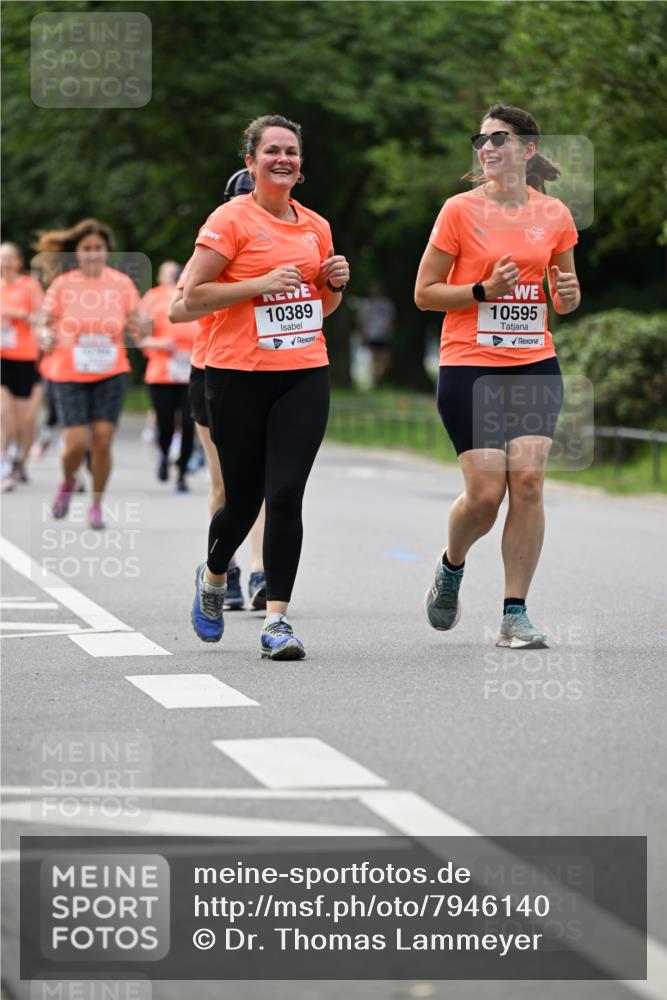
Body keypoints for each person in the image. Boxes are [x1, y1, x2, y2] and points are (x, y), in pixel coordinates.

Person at [414, 104, 580, 649]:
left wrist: (568, 296)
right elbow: (424, 293)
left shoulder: (554, 215)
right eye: (481, 140)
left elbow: (562, 290)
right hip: (470, 363)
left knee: (528, 482)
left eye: (499, 139)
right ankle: (452, 565)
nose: (486, 148)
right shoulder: (459, 211)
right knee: (485, 495)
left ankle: (514, 614)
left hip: (534, 361)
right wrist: (483, 291)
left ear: (528, 149)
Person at [185, 115, 349, 659]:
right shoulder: (229, 220)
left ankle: (276, 620)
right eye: (273, 150)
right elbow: (188, 300)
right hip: (236, 377)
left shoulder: (316, 226)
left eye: (293, 152)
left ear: (301, 166)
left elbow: (322, 307)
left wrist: (332, 284)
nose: (284, 159)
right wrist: (258, 283)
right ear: (251, 162)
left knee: (285, 495)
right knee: (242, 499)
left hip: (303, 373)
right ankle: (212, 576)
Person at [169, 167, 267, 611]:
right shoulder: (211, 248)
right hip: (214, 370)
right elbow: (176, 311)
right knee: (228, 483)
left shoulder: (283, 244)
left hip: (269, 369)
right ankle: (223, 569)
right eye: (243, 194)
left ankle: (263, 572)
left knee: (265, 483)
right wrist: (238, 291)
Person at [37, 218, 142, 529]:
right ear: (76, 253)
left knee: (103, 440)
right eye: (87, 249)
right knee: (76, 443)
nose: (93, 254)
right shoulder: (63, 284)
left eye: (99, 248)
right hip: (69, 371)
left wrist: (143, 328)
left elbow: (136, 320)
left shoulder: (122, 283)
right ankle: (68, 481)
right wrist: (44, 335)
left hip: (111, 370)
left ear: (106, 251)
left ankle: (96, 504)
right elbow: (44, 320)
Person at [140, 260, 198, 493]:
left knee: (187, 423)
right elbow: (139, 337)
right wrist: (159, 343)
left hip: (191, 372)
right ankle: (164, 454)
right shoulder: (152, 299)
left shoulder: (197, 293)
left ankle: (182, 472)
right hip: (162, 372)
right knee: (164, 424)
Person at [1, 242, 44, 490]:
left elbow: (41, 316)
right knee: (2, 411)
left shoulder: (30, 285)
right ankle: (3, 461)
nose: (4, 262)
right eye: (1, 257)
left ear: (18, 261)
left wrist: (19, 315)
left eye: (8, 257)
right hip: (1, 356)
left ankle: (20, 459)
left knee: (22, 420)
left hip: (25, 357)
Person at [357, 282, 396, 385]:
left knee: (385, 361)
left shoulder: (386, 304)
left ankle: (379, 376)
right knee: (374, 359)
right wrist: (362, 334)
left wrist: (390, 331)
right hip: (371, 335)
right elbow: (362, 321)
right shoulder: (366, 305)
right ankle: (376, 381)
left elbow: (391, 319)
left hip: (383, 334)